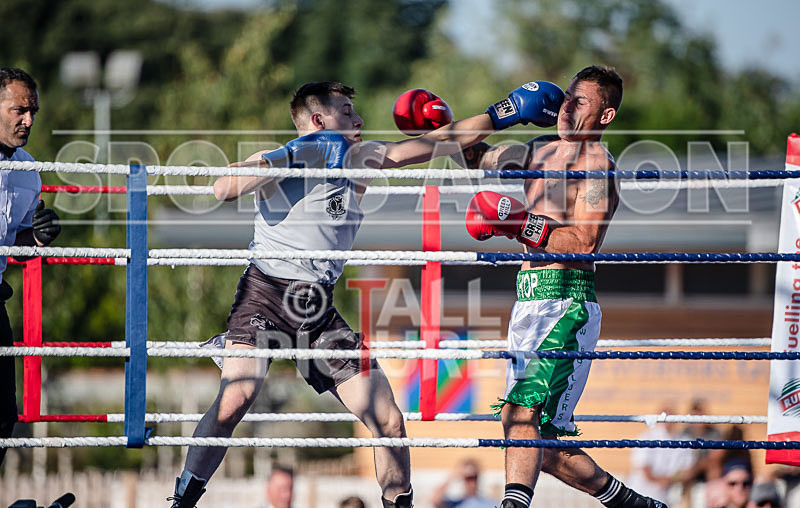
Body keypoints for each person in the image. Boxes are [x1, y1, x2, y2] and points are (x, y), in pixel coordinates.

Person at [168, 80, 564, 508]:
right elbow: (222, 189)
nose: (358, 119)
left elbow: (440, 143)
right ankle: (182, 500)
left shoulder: (362, 157)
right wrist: (292, 154)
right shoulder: (287, 158)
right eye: (346, 112)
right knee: (236, 399)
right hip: (265, 292)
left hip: (318, 306)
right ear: (318, 121)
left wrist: (505, 111)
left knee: (388, 419)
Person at [458, 65, 666, 508]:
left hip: (567, 299)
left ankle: (512, 505)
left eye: (582, 102)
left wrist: (519, 222)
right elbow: (478, 158)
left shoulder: (597, 167)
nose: (567, 107)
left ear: (605, 116)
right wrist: (466, 117)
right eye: (567, 97)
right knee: (544, 449)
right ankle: (639, 505)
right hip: (527, 298)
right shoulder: (537, 150)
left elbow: (585, 241)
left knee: (519, 414)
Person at [0, 67, 61, 466]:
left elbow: (17, 246)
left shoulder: (27, 170)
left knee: (5, 416)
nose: (28, 120)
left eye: (33, 111)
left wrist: (38, 236)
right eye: (18, 110)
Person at [626, 406, 695, 505]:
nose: (668, 423)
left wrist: (671, 480)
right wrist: (660, 481)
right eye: (665, 419)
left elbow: (687, 470)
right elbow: (644, 468)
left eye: (671, 419)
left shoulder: (684, 440)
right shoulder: (646, 437)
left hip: (669, 492)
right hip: (641, 490)